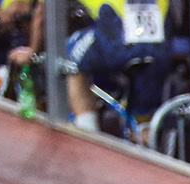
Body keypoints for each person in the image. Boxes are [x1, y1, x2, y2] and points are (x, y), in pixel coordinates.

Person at [65, 0, 174, 135]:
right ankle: (143, 132)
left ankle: (87, 130)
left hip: (117, 47)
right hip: (160, 53)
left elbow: (40, 12)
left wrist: (33, 48)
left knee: (68, 58)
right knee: (143, 118)